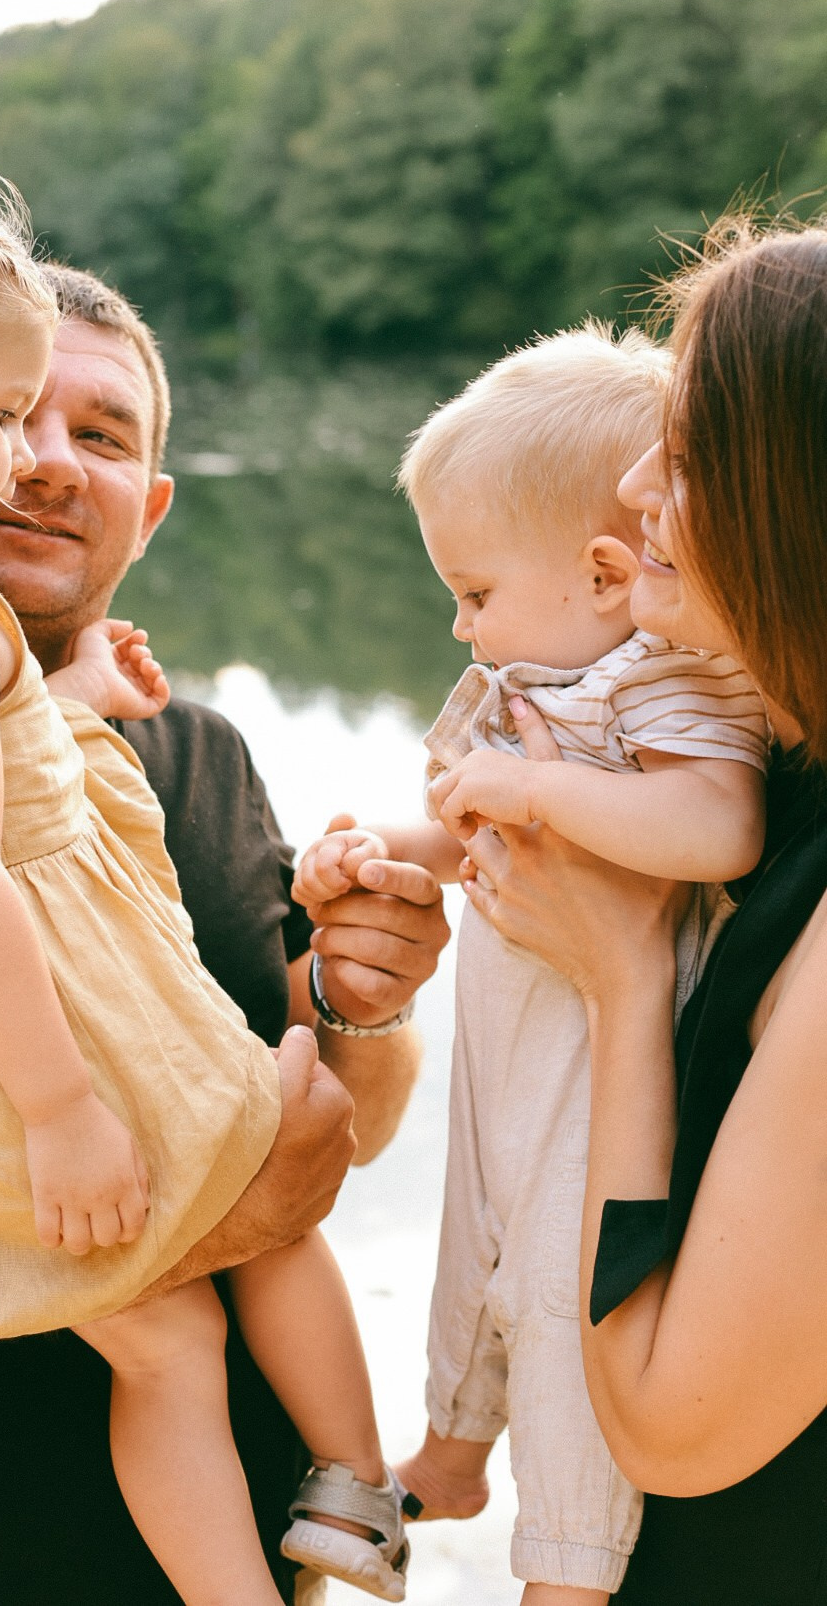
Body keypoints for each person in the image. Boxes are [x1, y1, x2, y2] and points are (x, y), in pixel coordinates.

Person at [0, 220, 448, 1606]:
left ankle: (354, 1495)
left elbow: (331, 1110)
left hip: (227, 1545)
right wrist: (223, 1223)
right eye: (13, 413)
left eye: (102, 432)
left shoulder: (196, 754)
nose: (43, 459)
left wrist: (369, 1000)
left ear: (156, 503)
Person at [293, 325, 770, 1603]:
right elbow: (461, 827)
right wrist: (368, 852)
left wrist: (539, 791)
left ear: (608, 573)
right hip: (507, 1054)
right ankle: (450, 1455)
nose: (459, 623)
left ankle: (563, 1567)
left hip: (607, 1068)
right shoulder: (519, 687)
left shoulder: (669, 687)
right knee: (475, 1249)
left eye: (477, 589)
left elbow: (720, 825)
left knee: (565, 1303)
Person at [448, 218, 827, 1603]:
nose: (632, 480)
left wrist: (620, 988)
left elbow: (673, 1428)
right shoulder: (781, 782)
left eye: (690, 438)